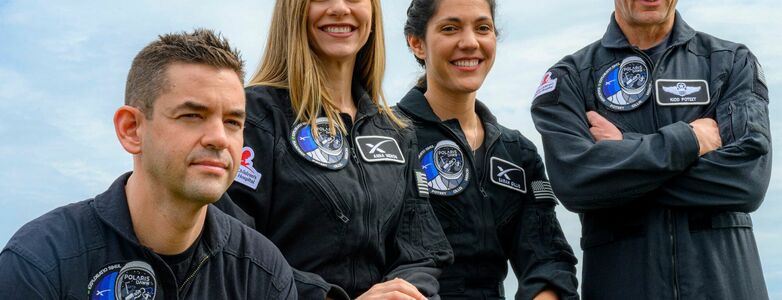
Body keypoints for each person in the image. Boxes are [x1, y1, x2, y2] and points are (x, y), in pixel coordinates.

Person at [0, 29, 297, 299]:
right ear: (131, 129)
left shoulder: (262, 274)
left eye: (233, 122)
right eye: (192, 115)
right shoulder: (41, 262)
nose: (219, 138)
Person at [531, 0, 771, 299]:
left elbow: (747, 182)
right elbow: (576, 181)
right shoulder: (571, 78)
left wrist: (624, 151)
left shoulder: (731, 62)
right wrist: (691, 140)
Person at [216, 0, 453, 299]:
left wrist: (405, 292)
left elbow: (422, 251)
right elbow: (230, 245)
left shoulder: (396, 132)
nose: (340, 8)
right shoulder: (255, 117)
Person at [396, 0, 579, 299]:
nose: (470, 43)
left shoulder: (518, 153)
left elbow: (548, 261)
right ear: (417, 43)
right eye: (450, 28)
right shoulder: (386, 138)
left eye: (482, 28)